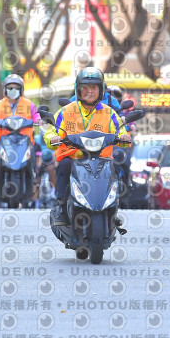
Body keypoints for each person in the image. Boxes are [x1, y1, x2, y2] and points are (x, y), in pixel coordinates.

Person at [44, 67, 131, 226]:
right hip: (73, 157)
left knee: (115, 169)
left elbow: (121, 131)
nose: (89, 91)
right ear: (78, 90)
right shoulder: (65, 111)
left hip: (102, 158)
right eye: (85, 88)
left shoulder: (110, 112)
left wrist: (124, 137)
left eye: (94, 88)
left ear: (101, 90)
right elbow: (50, 133)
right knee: (63, 166)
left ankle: (112, 208)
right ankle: (63, 206)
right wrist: (53, 138)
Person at [0, 74, 42, 200]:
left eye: (16, 87)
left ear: (21, 89)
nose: (13, 90)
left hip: (25, 139)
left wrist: (38, 120)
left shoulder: (29, 104)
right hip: (3, 139)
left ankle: (31, 173)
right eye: (9, 88)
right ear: (5, 89)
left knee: (33, 154)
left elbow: (36, 115)